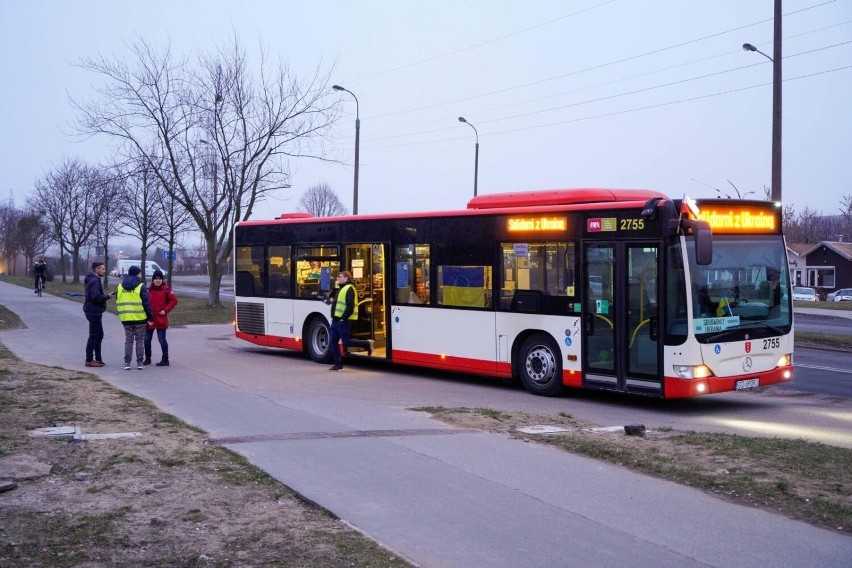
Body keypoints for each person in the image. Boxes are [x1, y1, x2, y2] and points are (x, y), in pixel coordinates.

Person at [324, 271, 373, 370]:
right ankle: (338, 364)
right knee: (333, 342)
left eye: (340, 277)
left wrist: (343, 318)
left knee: (346, 342)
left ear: (347, 278)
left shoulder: (349, 289)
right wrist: (329, 300)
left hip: (343, 321)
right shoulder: (340, 288)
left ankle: (367, 344)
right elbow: (333, 300)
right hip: (335, 320)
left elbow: (350, 306)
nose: (338, 278)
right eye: (338, 277)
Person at [116, 265, 153, 370]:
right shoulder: (141, 286)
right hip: (140, 318)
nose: (141, 275)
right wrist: (150, 317)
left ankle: (127, 363)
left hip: (126, 318)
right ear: (137, 274)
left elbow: (117, 301)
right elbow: (146, 303)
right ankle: (140, 363)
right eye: (140, 273)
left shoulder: (120, 286)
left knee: (128, 341)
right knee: (140, 341)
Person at [144, 270, 178, 367]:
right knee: (146, 340)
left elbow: (174, 301)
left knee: (162, 339)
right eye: (156, 279)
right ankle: (147, 358)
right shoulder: (148, 290)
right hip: (150, 319)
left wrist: (165, 310)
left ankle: (165, 359)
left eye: (160, 279)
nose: (158, 281)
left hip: (160, 318)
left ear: (162, 280)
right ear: (153, 280)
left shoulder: (166, 289)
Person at [83, 262, 114, 367]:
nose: (104, 271)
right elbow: (95, 297)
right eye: (103, 269)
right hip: (93, 311)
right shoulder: (95, 281)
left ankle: (98, 358)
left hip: (93, 310)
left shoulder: (91, 279)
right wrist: (107, 297)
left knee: (99, 335)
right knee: (94, 335)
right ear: (97, 270)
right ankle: (89, 359)